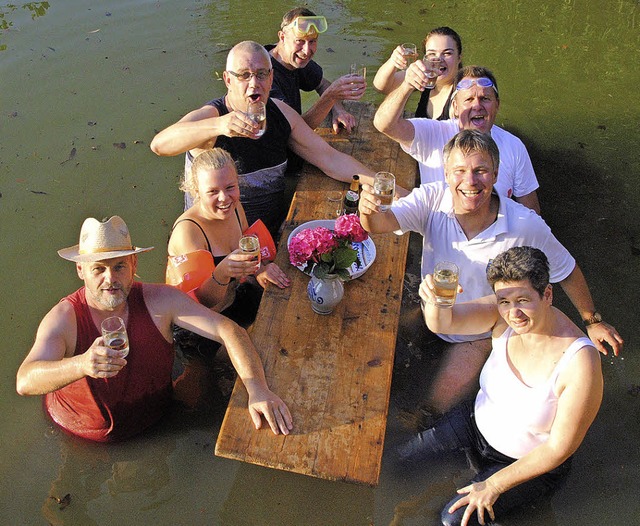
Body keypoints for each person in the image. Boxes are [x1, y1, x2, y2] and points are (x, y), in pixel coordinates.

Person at [359, 130, 622, 412]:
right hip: (433, 307)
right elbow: (380, 224)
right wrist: (367, 210)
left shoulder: (525, 225)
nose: (470, 181)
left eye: (480, 171)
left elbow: (566, 270)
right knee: (375, 357)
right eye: (459, 171)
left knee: (431, 408)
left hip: (481, 329)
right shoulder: (433, 199)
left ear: (496, 175)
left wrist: (592, 320)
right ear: (446, 174)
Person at [16, 215, 293, 442]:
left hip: (159, 421)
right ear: (81, 270)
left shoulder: (160, 300)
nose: (110, 278)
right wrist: (81, 364)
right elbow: (25, 380)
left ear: (134, 264)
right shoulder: (66, 317)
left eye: (119, 266)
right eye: (98, 269)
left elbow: (229, 330)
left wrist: (258, 390)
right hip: (79, 435)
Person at [398, 246, 603, 526]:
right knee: (401, 464)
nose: (513, 313)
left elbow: (559, 448)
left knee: (450, 521)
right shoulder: (499, 314)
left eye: (523, 300)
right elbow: (442, 323)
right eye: (504, 301)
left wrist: (493, 485)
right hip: (474, 426)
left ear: (547, 295)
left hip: (524, 464)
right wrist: (435, 303)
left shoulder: (581, 362)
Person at [150, 40, 376, 236]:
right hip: (219, 242)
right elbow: (160, 144)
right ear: (228, 80)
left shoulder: (280, 111)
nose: (254, 83)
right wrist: (218, 126)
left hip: (271, 235)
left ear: (271, 78)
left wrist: (386, 186)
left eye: (261, 74)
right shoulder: (213, 115)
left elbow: (331, 159)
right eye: (244, 75)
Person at [374, 64, 541, 214]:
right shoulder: (433, 133)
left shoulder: (514, 146)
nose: (477, 106)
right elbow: (384, 124)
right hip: (440, 237)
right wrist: (407, 85)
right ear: (454, 107)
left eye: (485, 99)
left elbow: (531, 212)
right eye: (468, 99)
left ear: (497, 104)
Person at [167, 148, 290, 315]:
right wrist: (223, 272)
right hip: (206, 322)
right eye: (213, 191)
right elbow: (203, 302)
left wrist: (260, 268)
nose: (224, 198)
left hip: (236, 297)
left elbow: (249, 246)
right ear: (196, 191)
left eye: (230, 187)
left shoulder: (235, 207)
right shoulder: (188, 232)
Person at [267, 7, 366, 133]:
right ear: (282, 37)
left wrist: (338, 110)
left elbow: (322, 84)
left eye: (312, 41)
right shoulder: (264, 76)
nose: (306, 51)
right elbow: (295, 131)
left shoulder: (294, 59)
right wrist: (330, 97)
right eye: (299, 41)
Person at [373, 26, 462, 120]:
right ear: (425, 58)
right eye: (432, 53)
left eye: (447, 53)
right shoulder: (426, 76)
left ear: (459, 58)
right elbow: (381, 87)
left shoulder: (464, 90)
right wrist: (392, 62)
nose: (438, 59)